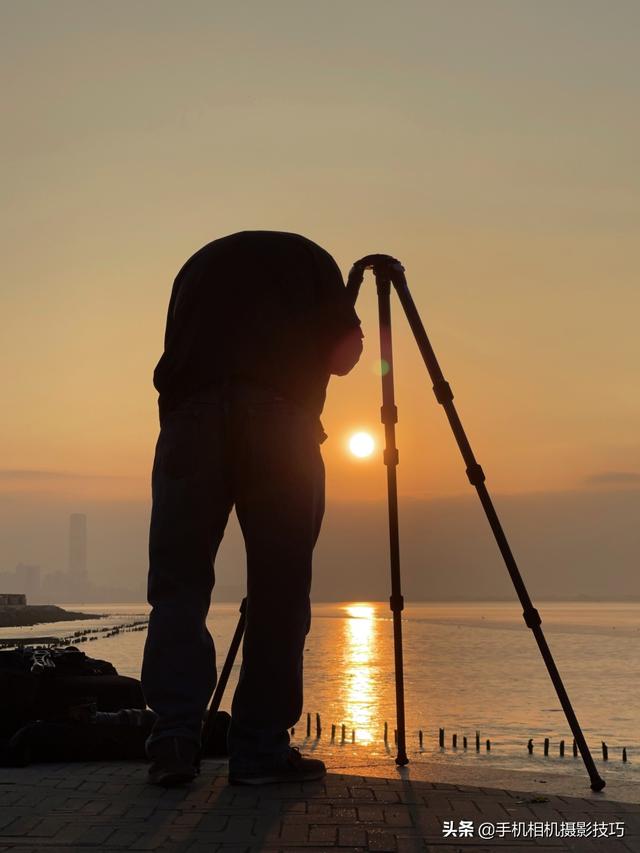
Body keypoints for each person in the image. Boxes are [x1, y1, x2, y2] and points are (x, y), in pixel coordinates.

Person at [141, 230, 363, 786]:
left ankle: (172, 739)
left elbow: (174, 352)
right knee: (280, 591)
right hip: (279, 423)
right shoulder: (315, 263)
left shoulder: (196, 267)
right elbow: (344, 359)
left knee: (178, 586)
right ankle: (259, 752)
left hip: (190, 423)